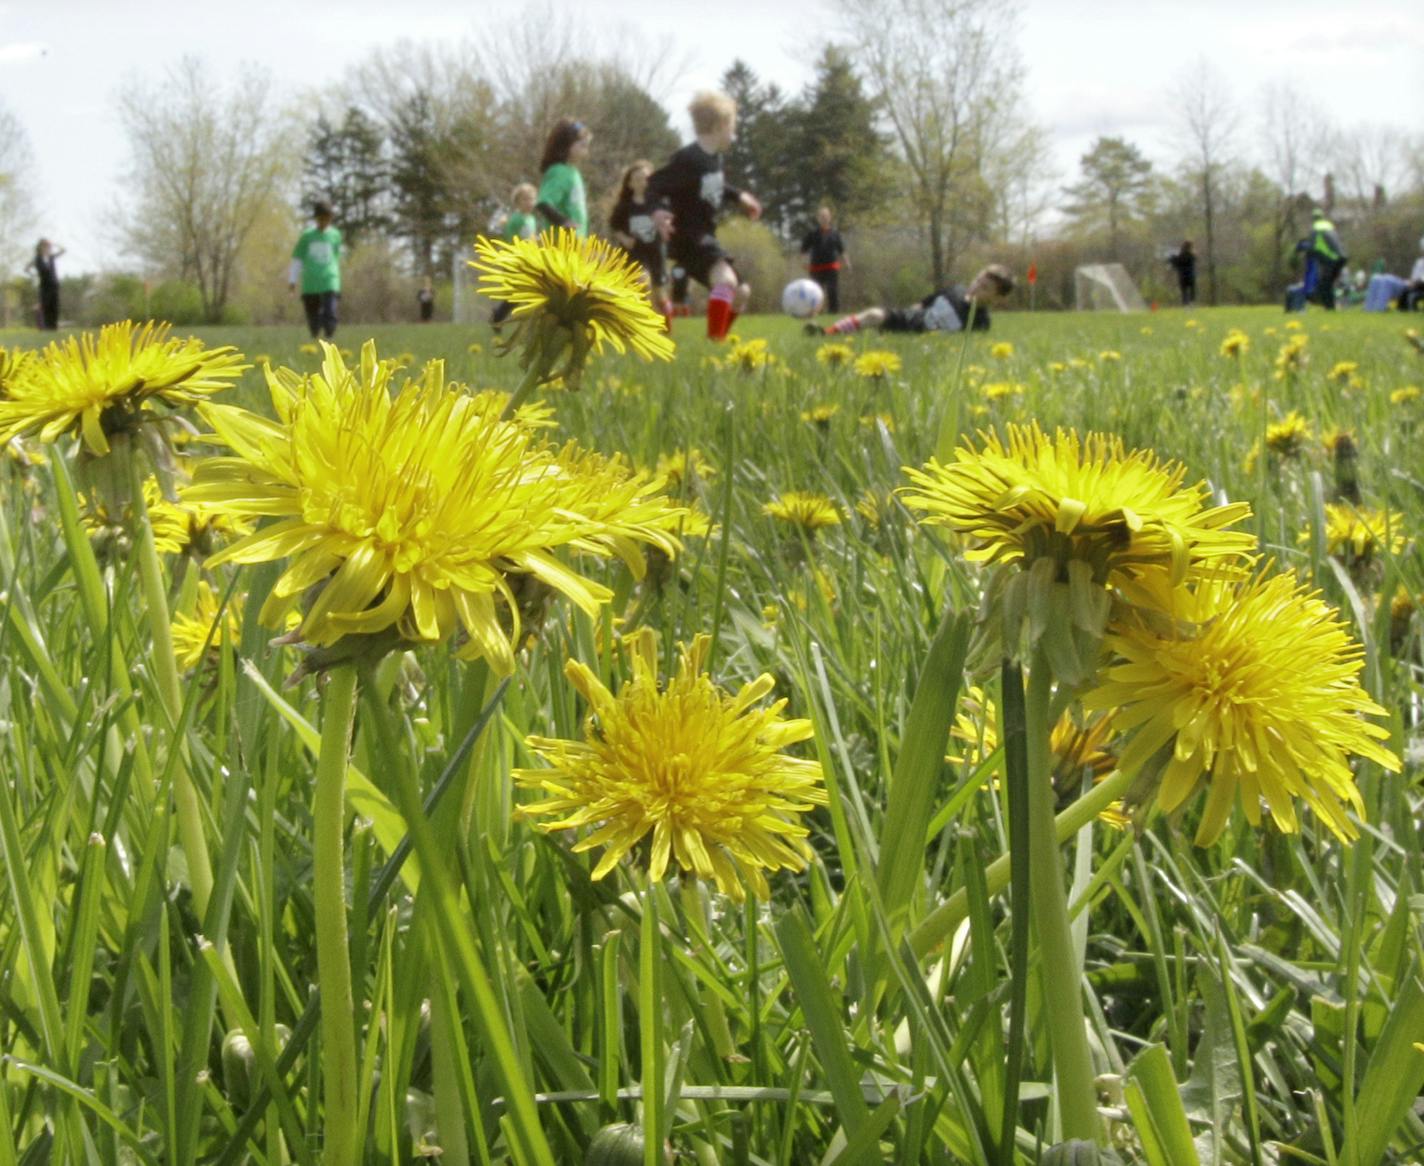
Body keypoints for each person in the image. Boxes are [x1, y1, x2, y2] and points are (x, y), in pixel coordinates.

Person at [646, 90, 762, 342]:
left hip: (704, 236)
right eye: (733, 127)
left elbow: (714, 185)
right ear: (721, 125)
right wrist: (656, 211)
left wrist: (738, 196)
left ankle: (716, 340)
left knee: (742, 292)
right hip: (690, 236)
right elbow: (653, 184)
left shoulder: (714, 159)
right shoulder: (687, 159)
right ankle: (715, 342)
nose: (735, 134)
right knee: (727, 281)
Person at [808, 265, 1015, 336]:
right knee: (874, 314)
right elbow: (923, 304)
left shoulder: (981, 323)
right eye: (978, 280)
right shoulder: (955, 291)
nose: (977, 286)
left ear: (997, 298)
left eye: (985, 287)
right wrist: (908, 312)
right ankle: (827, 333)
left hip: (924, 336)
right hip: (910, 319)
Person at [609, 159, 670, 327]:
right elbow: (614, 225)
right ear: (630, 183)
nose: (642, 182)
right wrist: (624, 238)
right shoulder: (625, 206)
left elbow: (669, 222)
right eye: (637, 179)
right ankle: (641, 323)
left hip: (656, 252)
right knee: (642, 281)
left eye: (646, 178)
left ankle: (667, 329)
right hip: (635, 252)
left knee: (660, 292)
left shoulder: (658, 204)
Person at [289, 200, 343, 339]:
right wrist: (292, 280)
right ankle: (315, 336)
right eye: (321, 218)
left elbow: (337, 257)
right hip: (311, 281)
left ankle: (329, 338)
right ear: (316, 218)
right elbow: (297, 259)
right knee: (313, 315)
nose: (324, 221)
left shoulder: (335, 235)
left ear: (331, 218)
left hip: (329, 279)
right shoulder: (307, 236)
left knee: (330, 312)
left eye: (327, 218)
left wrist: (338, 278)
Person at [491, 183, 540, 328]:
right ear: (517, 202)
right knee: (517, 294)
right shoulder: (516, 219)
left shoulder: (531, 219)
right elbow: (512, 239)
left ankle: (499, 317)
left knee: (522, 294)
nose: (529, 203)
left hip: (528, 260)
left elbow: (530, 237)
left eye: (532, 199)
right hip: (515, 261)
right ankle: (498, 317)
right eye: (525, 199)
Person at [535, 119, 590, 236]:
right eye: (582, 145)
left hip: (576, 243)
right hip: (559, 244)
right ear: (565, 145)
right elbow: (543, 203)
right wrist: (563, 222)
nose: (586, 151)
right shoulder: (559, 171)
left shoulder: (574, 172)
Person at [800, 206, 848, 313]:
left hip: (832, 266)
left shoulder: (835, 233)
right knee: (816, 292)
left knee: (832, 290)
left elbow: (841, 249)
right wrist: (803, 261)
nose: (824, 218)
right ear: (818, 218)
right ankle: (817, 312)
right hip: (816, 267)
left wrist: (846, 262)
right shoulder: (812, 233)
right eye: (821, 216)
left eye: (826, 216)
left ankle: (833, 312)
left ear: (830, 218)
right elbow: (803, 249)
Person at [1298, 209, 1347, 310]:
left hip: (1332, 259)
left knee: (1324, 284)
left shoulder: (1316, 229)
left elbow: (1312, 246)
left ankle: (1329, 307)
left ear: (1313, 218)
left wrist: (1301, 248)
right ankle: (1331, 306)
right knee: (1327, 283)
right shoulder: (1329, 226)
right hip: (1342, 257)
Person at [27, 239, 64, 330]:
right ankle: (45, 327)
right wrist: (34, 275)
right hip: (44, 286)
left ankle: (53, 327)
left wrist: (54, 243)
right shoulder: (37, 258)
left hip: (54, 285)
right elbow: (27, 268)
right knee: (45, 305)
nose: (47, 249)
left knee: (54, 306)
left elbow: (63, 250)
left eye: (48, 247)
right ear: (40, 248)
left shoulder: (51, 257)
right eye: (45, 246)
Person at [1166, 240, 1196, 306]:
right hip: (1191, 275)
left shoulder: (1180, 256)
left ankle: (1186, 305)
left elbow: (1175, 263)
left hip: (1182, 276)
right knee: (1192, 289)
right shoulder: (1191, 256)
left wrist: (1171, 259)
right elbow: (1194, 259)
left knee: (1184, 291)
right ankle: (1192, 303)